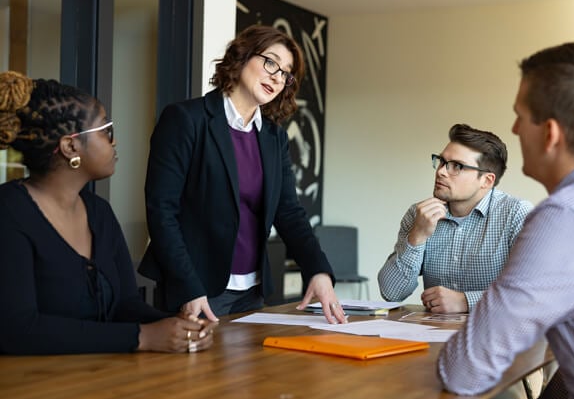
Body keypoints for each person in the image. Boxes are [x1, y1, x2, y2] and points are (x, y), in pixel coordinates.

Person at [138, 25, 347, 325]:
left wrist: (318, 271)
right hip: (197, 291)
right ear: (242, 56)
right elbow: (162, 211)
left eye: (286, 73)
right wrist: (188, 286)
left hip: (253, 292)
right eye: (271, 62)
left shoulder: (274, 137)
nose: (277, 77)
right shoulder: (186, 120)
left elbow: (289, 212)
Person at [0, 71, 215, 354]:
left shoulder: (98, 212)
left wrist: (177, 325)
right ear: (70, 146)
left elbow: (124, 305)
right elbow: (18, 330)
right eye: (106, 131)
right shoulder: (9, 211)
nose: (114, 142)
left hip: (102, 379)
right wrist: (143, 337)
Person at [438, 42, 574, 398]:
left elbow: (465, 371)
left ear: (550, 134)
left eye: (520, 115)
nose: (514, 129)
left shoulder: (563, 217)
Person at [378, 123, 533, 313]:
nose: (441, 171)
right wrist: (416, 236)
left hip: (500, 336)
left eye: (456, 166)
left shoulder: (517, 214)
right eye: (442, 161)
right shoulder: (419, 214)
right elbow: (391, 293)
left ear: (486, 181)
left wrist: (466, 301)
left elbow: (532, 290)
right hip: (432, 334)